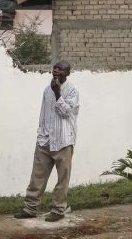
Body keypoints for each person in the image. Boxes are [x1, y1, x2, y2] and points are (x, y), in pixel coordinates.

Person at [13, 61, 80, 222]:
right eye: (55, 68)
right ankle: (30, 208)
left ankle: (58, 209)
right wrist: (40, 133)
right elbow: (44, 113)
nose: (56, 71)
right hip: (45, 139)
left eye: (61, 69)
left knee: (62, 179)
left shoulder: (72, 91)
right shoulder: (46, 89)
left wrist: (58, 93)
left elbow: (66, 113)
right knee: (37, 176)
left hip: (63, 140)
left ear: (68, 73)